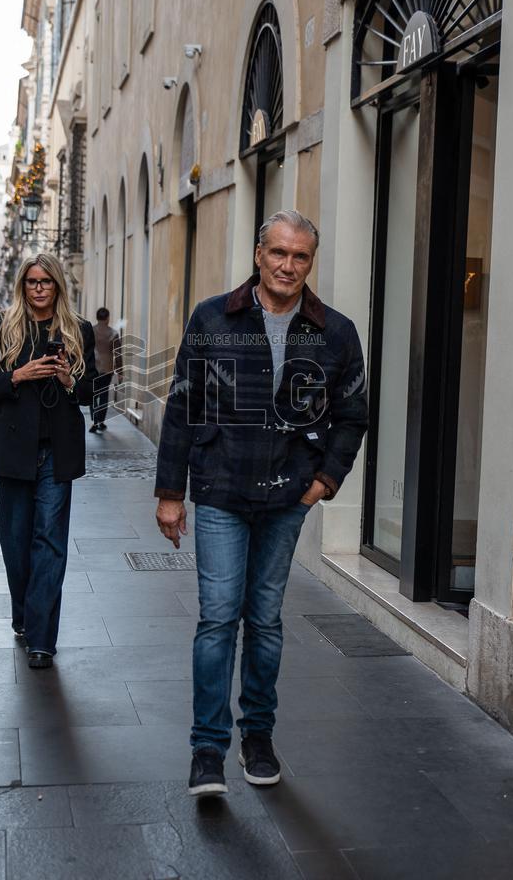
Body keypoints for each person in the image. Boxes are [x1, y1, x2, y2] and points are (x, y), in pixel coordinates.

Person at [154, 210, 369, 797]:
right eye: (279, 253)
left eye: (300, 257)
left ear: (310, 263)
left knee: (266, 621)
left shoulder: (335, 331)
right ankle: (206, 749)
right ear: (258, 254)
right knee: (219, 617)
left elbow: (353, 415)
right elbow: (181, 407)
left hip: (287, 496)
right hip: (221, 488)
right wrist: (170, 492)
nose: (288, 265)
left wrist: (325, 479)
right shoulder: (213, 318)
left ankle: (258, 736)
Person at [0, 253, 98, 670]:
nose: (39, 288)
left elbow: (92, 393)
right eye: (32, 282)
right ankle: (25, 616)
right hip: (12, 452)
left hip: (56, 453)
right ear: (22, 286)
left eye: (46, 281)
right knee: (16, 544)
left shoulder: (78, 330)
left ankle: (42, 638)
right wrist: (18, 376)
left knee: (50, 543)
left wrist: (68, 379)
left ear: (58, 285)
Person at [89, 307, 122, 433]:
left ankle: (95, 420)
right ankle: (101, 421)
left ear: (97, 317)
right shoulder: (113, 333)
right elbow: (118, 354)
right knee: (104, 395)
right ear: (108, 318)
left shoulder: (91, 331)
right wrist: (120, 372)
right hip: (107, 369)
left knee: (92, 395)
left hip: (93, 368)